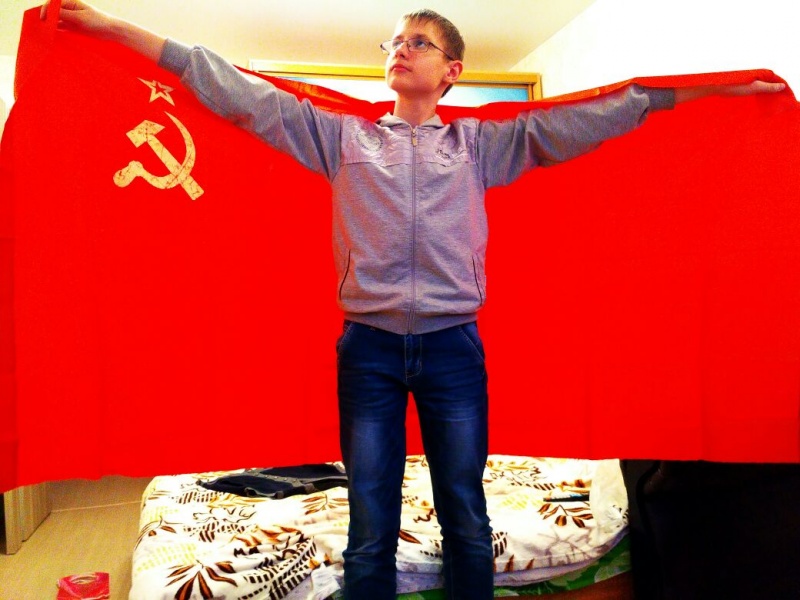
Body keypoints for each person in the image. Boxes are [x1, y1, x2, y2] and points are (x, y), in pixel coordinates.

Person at [40, 2, 785, 598]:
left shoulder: (481, 147)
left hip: (453, 349)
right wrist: (110, 28)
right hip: (367, 349)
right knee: (371, 517)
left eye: (419, 43)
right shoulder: (340, 138)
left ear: (450, 70)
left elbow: (607, 113)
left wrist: (718, 91)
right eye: (396, 41)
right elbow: (229, 88)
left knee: (464, 509)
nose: (402, 50)